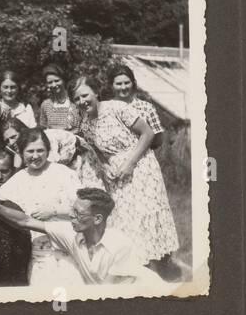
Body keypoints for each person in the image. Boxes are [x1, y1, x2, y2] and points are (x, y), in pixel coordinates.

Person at [70, 74, 179, 266]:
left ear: (96, 92)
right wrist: (106, 169)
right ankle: (138, 266)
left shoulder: (117, 108)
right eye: (77, 99)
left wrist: (129, 164)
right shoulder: (85, 124)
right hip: (117, 175)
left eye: (85, 95)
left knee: (146, 213)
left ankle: (161, 264)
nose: (82, 101)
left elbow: (148, 134)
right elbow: (98, 154)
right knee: (127, 219)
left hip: (142, 166)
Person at [0, 187, 162, 287]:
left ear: (97, 219)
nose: (71, 215)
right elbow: (25, 221)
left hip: (148, 297)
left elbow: (107, 294)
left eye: (78, 213)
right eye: (72, 209)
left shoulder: (120, 245)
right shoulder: (72, 233)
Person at [0, 131, 81, 288]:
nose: (35, 156)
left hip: (65, 247)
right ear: (21, 153)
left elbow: (84, 209)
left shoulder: (63, 173)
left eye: (40, 150)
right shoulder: (19, 178)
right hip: (37, 253)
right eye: (30, 151)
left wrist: (54, 210)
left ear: (48, 150)